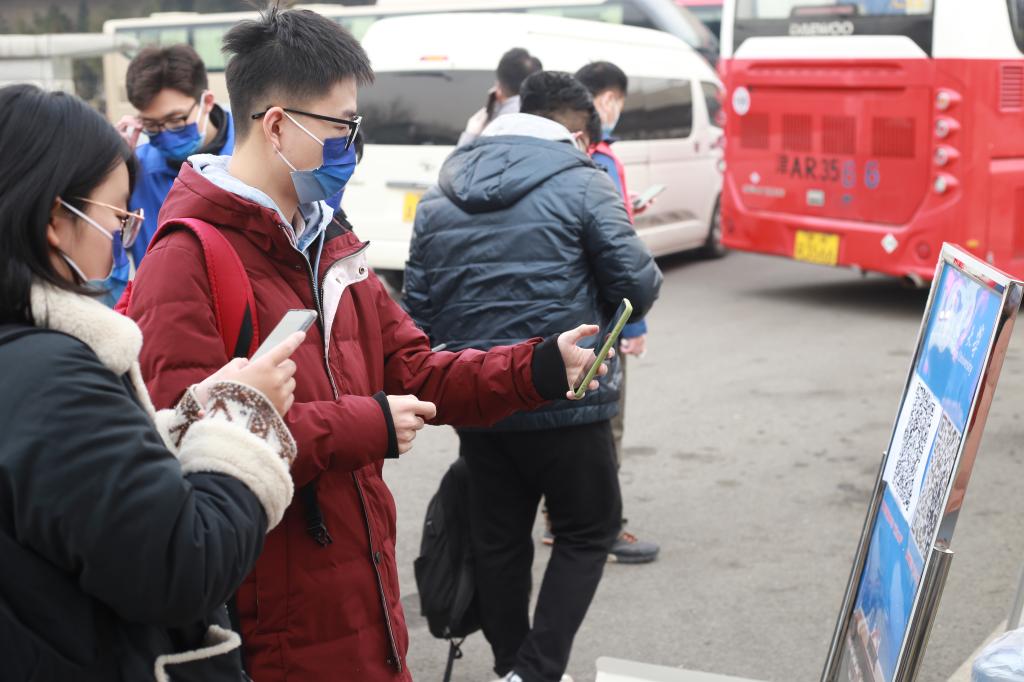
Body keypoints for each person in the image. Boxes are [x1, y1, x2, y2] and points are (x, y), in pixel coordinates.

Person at [122, 8, 610, 682]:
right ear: (277, 126)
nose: (354, 144)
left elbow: (418, 369)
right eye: (342, 126)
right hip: (276, 626)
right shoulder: (186, 261)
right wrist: (364, 425)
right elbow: (187, 449)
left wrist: (539, 367)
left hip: (363, 598)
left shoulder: (330, 240)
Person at [0, 84, 300, 681]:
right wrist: (246, 416)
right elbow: (181, 567)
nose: (122, 240)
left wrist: (191, 415)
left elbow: (81, 491)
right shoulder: (53, 377)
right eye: (118, 216)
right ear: (57, 220)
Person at [405, 70, 663, 682]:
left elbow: (418, 310)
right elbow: (638, 283)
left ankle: (510, 666)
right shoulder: (585, 180)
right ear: (577, 132)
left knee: (498, 538)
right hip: (567, 393)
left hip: (477, 395)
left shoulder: (441, 192)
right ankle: (536, 671)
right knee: (589, 530)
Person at [575, 60, 660, 564]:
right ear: (607, 100)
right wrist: (637, 323)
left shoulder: (556, 154)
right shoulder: (602, 160)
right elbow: (619, 254)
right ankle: (602, 527)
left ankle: (563, 519)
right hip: (602, 315)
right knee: (607, 422)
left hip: (559, 315)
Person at [110, 44, 235, 302]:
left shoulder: (251, 153)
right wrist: (108, 171)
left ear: (206, 102)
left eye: (176, 120)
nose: (165, 134)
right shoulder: (136, 172)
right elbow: (104, 256)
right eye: (151, 125)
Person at [458, 47, 542, 147]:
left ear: (499, 85)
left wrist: (470, 135)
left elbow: (461, 157)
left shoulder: (494, 127)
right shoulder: (545, 122)